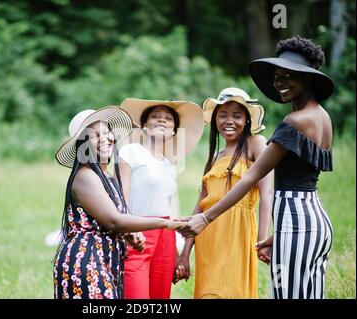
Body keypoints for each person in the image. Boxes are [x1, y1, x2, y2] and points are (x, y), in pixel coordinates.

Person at [177, 36, 335, 299]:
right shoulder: (322, 116)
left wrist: (205, 218)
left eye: (288, 75)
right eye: (277, 75)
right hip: (311, 221)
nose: (279, 82)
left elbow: (252, 176)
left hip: (298, 222)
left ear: (307, 78)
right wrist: (281, 231)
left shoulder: (295, 120)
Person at [53, 106, 183, 299]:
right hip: (87, 261)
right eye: (95, 136)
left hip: (106, 259)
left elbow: (107, 221)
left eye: (107, 133)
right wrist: (164, 223)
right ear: (83, 145)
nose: (105, 139)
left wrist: (128, 235)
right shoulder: (85, 176)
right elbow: (114, 220)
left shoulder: (108, 178)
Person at [173, 87, 273, 298]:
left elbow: (267, 194)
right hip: (209, 237)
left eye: (237, 115)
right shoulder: (214, 157)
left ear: (247, 119)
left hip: (237, 234)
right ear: (216, 119)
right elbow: (201, 205)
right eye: (223, 115)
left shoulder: (255, 144)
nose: (229, 121)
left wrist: (261, 240)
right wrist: (184, 254)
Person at [118, 98, 204, 299]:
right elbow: (121, 198)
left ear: (174, 131)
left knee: (160, 295)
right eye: (155, 117)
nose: (162, 120)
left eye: (168, 119)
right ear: (144, 126)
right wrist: (132, 230)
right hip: (137, 231)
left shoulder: (168, 164)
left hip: (165, 236)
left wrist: (175, 252)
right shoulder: (131, 152)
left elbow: (168, 208)